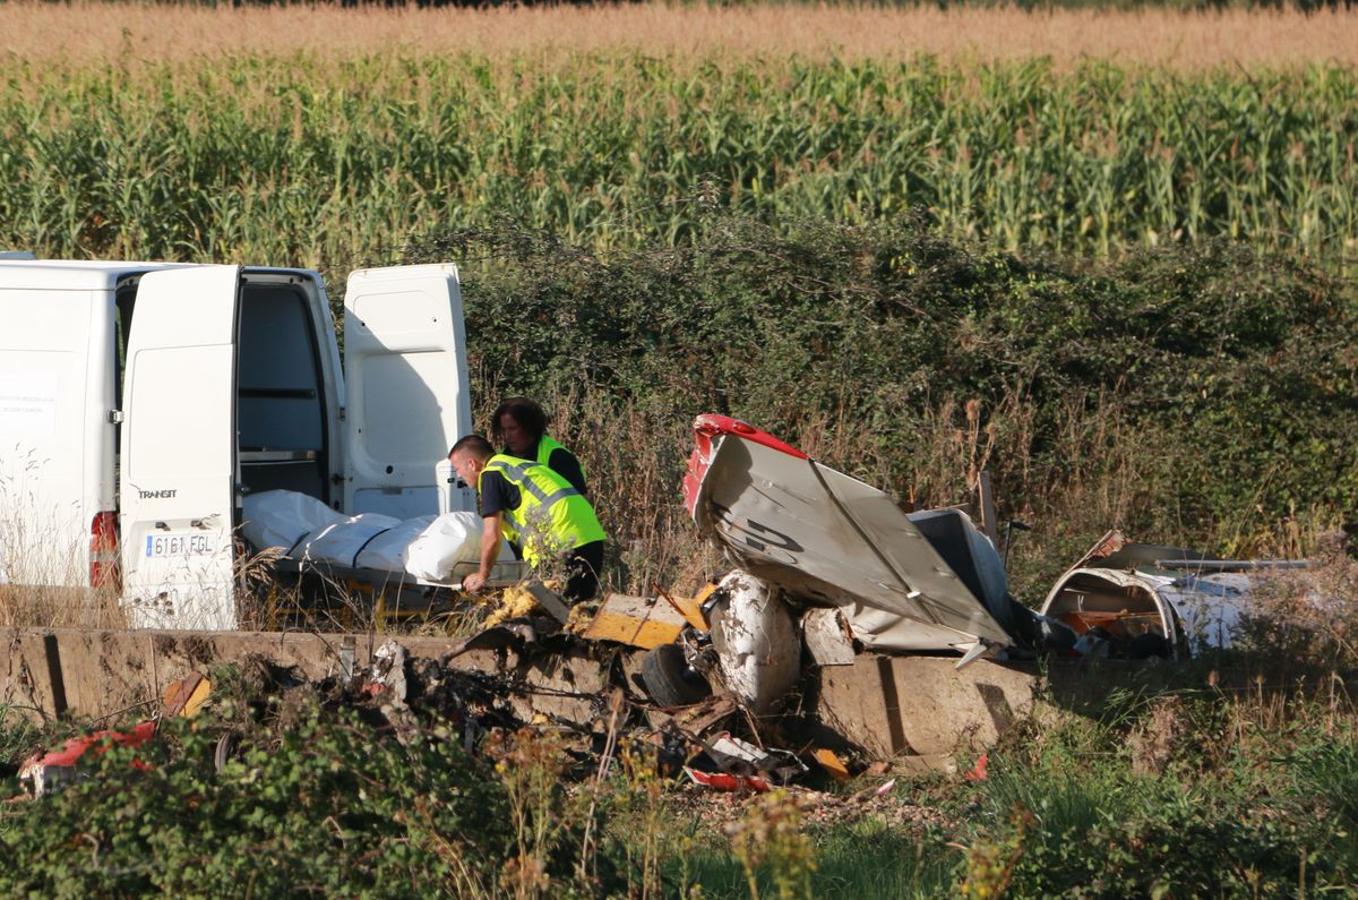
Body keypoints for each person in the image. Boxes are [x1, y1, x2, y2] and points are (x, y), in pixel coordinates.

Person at [448, 434, 606, 604]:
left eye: (457, 469)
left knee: (547, 612)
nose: (459, 476)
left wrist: (482, 575)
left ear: (472, 464)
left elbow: (491, 534)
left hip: (560, 544)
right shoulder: (517, 465)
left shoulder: (491, 474)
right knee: (578, 611)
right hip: (591, 537)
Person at [492, 397, 587, 495]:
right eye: (503, 429)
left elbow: (580, 501)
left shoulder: (558, 456)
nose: (507, 435)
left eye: (512, 429)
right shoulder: (500, 459)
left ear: (530, 427)